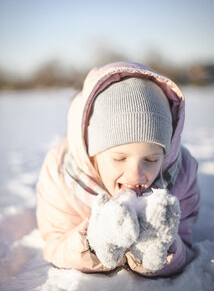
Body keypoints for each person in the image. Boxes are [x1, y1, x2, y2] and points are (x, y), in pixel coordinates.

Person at [36, 61, 200, 277]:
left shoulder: (182, 174)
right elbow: (55, 244)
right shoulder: (61, 174)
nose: (136, 174)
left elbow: (185, 244)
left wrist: (160, 245)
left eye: (151, 159)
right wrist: (93, 241)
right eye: (119, 158)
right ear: (93, 152)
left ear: (166, 154)